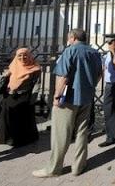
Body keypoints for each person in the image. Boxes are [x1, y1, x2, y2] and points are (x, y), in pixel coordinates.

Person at [32, 29, 102, 178]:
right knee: (82, 133)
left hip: (68, 99)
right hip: (86, 97)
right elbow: (99, 74)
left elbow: (63, 76)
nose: (68, 40)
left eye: (69, 38)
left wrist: (57, 96)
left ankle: (54, 168)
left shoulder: (70, 51)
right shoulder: (95, 53)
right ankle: (79, 166)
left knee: (60, 135)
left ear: (73, 37)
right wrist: (90, 86)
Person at [0, 48, 41, 147]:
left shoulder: (35, 68)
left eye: (25, 55)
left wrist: (33, 98)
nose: (22, 57)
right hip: (10, 95)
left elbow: (37, 84)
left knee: (21, 119)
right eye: (19, 55)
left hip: (24, 96)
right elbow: (6, 80)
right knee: (7, 117)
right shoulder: (13, 66)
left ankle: (21, 140)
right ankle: (8, 138)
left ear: (29, 55)